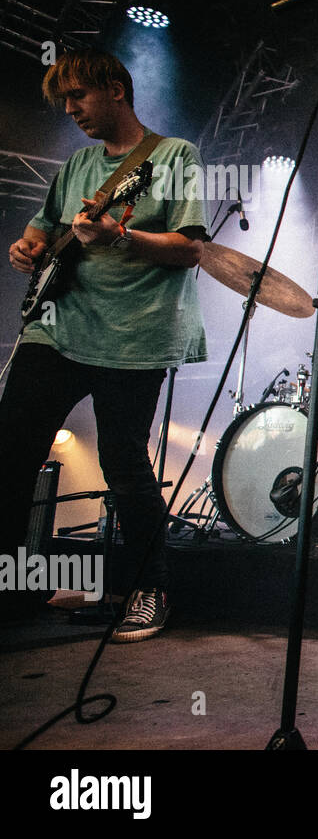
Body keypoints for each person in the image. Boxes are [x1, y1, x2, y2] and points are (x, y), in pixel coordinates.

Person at [0, 49, 208, 640]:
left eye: (78, 97)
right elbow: (42, 225)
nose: (70, 111)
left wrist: (121, 237)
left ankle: (150, 587)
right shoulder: (78, 164)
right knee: (10, 453)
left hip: (135, 334)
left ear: (116, 89)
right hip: (59, 326)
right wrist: (27, 247)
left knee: (123, 463)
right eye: (63, 102)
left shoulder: (174, 157)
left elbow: (190, 248)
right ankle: (16, 585)